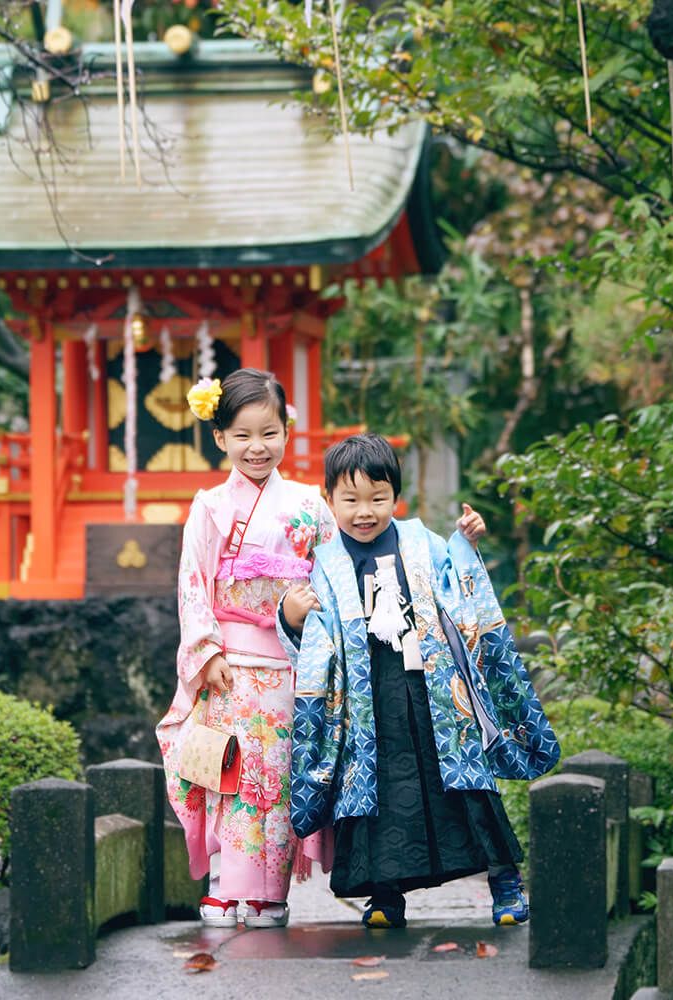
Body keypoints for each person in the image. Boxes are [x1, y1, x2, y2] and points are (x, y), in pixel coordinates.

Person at [277, 433, 560, 929]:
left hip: (436, 692)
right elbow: (315, 641)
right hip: (367, 704)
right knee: (378, 793)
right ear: (329, 500)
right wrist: (293, 615)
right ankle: (386, 895)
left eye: (378, 498)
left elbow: (457, 585)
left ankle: (505, 882)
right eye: (351, 500)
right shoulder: (324, 562)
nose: (365, 511)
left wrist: (466, 543)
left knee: (468, 785)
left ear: (396, 496)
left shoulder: (420, 541)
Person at [156, 368, 334, 930]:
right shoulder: (208, 506)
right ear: (219, 438)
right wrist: (205, 653)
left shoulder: (310, 504)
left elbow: (333, 578)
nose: (257, 447)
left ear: (287, 432)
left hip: (289, 663)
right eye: (242, 435)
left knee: (276, 777)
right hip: (228, 666)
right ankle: (225, 886)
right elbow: (193, 583)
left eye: (269, 432)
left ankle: (268, 894)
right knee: (227, 773)